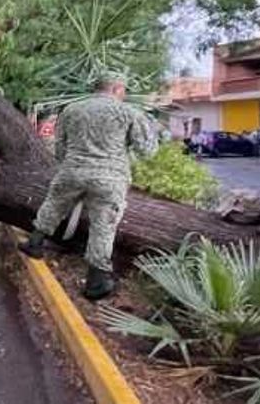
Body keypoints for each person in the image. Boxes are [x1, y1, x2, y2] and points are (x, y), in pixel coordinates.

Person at [18, 74, 157, 300]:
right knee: (103, 226)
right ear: (116, 88)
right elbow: (147, 150)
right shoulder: (129, 113)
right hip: (109, 178)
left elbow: (59, 147)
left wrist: (72, 161)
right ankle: (96, 281)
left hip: (72, 170)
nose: (125, 94)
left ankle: (35, 243)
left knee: (54, 204)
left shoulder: (72, 110)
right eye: (124, 90)